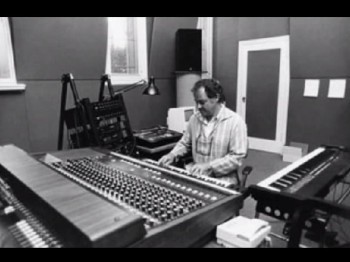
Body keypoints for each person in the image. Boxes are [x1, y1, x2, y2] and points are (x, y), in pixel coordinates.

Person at [159, 79, 248, 184]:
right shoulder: (194, 119)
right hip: (196, 175)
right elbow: (185, 143)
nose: (198, 107)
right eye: (196, 102)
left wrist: (209, 166)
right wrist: (172, 155)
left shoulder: (235, 122)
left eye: (202, 102)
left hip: (222, 180)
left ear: (216, 97)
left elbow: (237, 157)